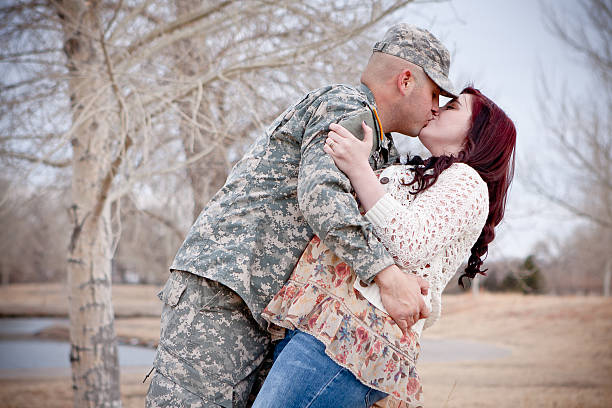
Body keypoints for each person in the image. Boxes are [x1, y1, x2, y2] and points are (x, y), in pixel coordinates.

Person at [146, 24, 457, 408]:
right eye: (436, 94)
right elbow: (322, 195)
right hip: (226, 292)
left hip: (265, 310)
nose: (436, 108)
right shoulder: (347, 106)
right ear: (406, 80)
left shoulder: (382, 148)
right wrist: (387, 276)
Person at [253, 86, 517, 408]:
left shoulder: (469, 183)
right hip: (330, 323)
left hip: (355, 333)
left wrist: (359, 168)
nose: (437, 110)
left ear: (478, 134)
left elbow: (408, 242)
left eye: (452, 107)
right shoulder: (429, 174)